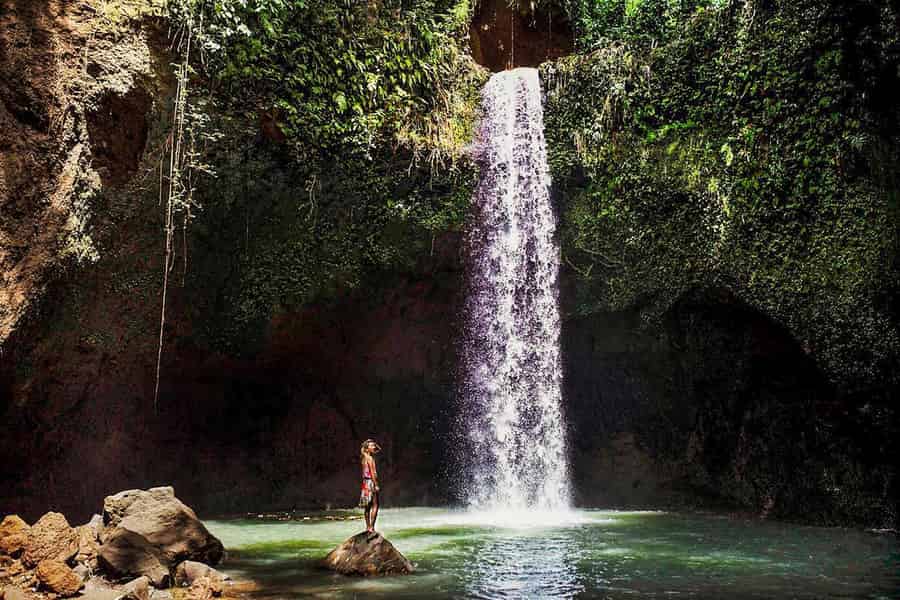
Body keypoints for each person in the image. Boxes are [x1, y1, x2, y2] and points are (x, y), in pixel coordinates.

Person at [359, 439, 381, 533]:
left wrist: (371, 444)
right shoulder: (370, 459)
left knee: (367, 506)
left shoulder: (364, 457)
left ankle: (367, 527)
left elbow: (378, 449)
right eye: (372, 446)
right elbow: (372, 472)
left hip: (365, 483)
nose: (374, 447)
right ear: (367, 449)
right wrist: (376, 485)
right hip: (371, 482)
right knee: (375, 505)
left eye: (374, 446)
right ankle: (372, 527)